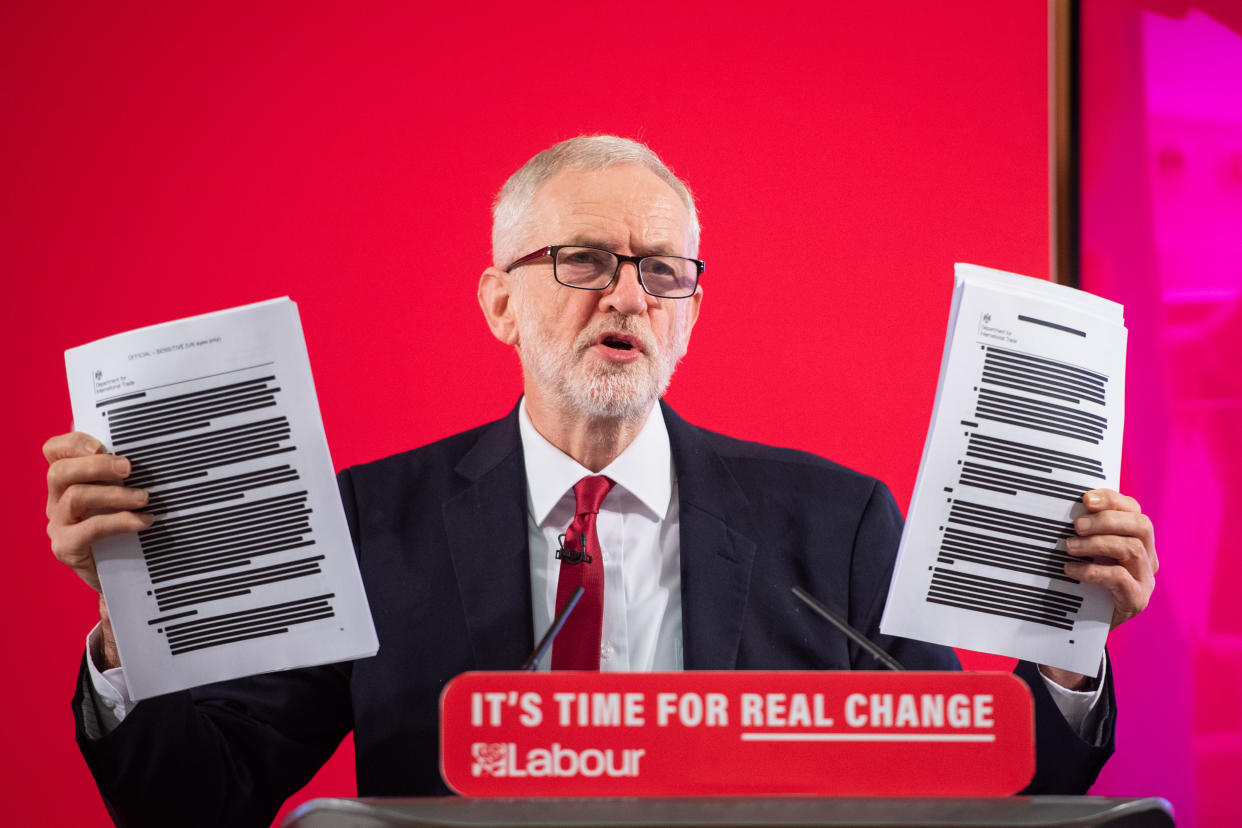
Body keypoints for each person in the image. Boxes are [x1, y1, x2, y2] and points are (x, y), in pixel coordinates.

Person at [44, 136, 1157, 826]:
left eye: (662, 270)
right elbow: (198, 801)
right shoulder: (371, 525)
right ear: (498, 302)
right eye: (583, 260)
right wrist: (128, 626)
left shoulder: (839, 522)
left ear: (690, 313)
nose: (627, 295)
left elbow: (978, 790)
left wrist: (1070, 658)